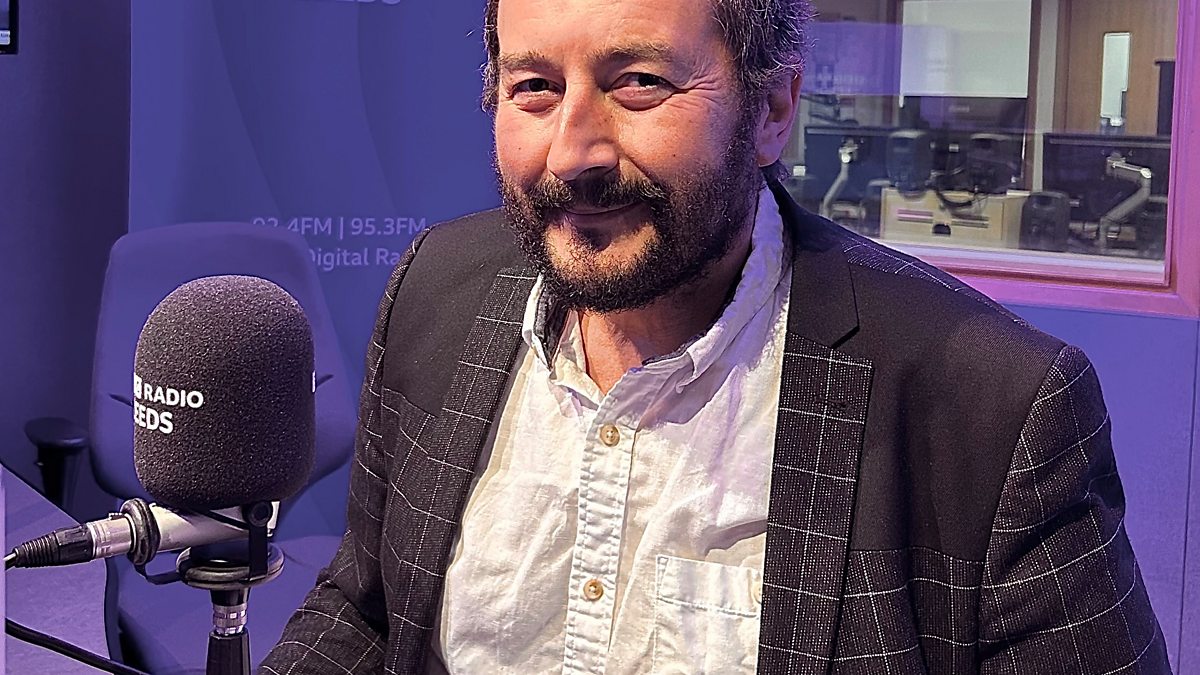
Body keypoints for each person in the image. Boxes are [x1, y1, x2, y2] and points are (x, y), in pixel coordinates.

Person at [262, 0, 1170, 672]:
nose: (572, 152)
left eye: (639, 82)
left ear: (773, 109)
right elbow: (367, 607)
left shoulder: (993, 405)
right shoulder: (435, 293)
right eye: (534, 87)